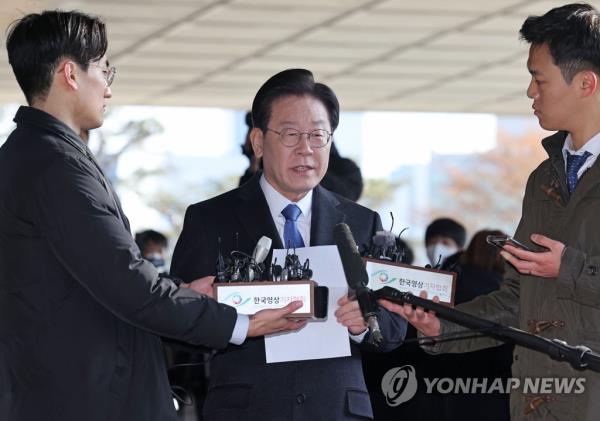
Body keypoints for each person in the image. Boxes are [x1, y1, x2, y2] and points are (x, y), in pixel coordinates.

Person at [0, 11, 303, 421]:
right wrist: (239, 324)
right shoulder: (55, 165)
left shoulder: (35, 153)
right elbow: (128, 284)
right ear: (71, 74)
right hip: (86, 399)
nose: (107, 87)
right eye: (104, 70)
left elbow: (104, 277)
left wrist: (183, 291)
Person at [381, 4, 600, 420]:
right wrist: (443, 327)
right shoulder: (543, 180)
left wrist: (568, 268)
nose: (531, 93)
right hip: (535, 404)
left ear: (586, 83)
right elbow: (517, 300)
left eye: (539, 79)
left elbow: (563, 273)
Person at [171, 68, 406, 421]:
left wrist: (364, 323)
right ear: (259, 142)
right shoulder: (210, 219)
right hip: (246, 409)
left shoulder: (361, 222)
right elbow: (177, 324)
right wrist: (212, 311)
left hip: (338, 409)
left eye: (317, 135)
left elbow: (393, 330)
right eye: (291, 134)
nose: (306, 149)